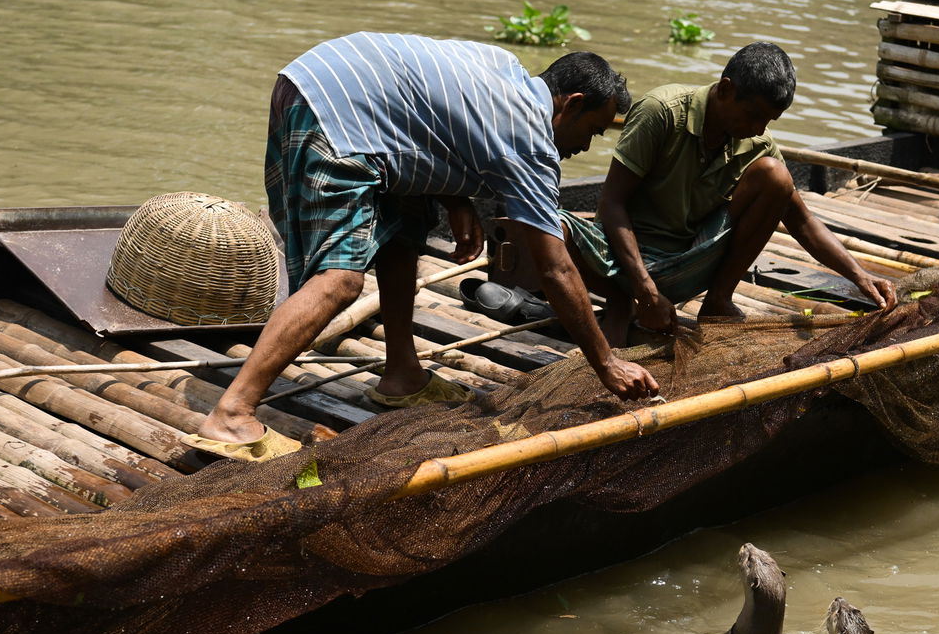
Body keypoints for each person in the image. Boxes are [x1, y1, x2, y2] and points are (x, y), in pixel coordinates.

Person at [187, 33, 658, 462]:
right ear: (570, 105)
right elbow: (555, 268)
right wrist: (606, 362)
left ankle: (402, 373)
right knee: (341, 278)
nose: (585, 147)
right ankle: (232, 414)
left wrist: (456, 198)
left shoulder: (504, 68)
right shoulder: (530, 140)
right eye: (593, 131)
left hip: (319, 79)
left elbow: (429, 112)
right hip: (338, 112)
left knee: (403, 234)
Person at [560, 41, 898, 346]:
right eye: (753, 115)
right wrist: (645, 290)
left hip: (689, 259)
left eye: (769, 121)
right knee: (554, 228)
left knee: (776, 176)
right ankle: (622, 301)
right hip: (621, 262)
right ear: (725, 89)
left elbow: (803, 222)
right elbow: (612, 202)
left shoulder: (756, 142)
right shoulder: (660, 110)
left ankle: (718, 300)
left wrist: (860, 276)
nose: (758, 129)